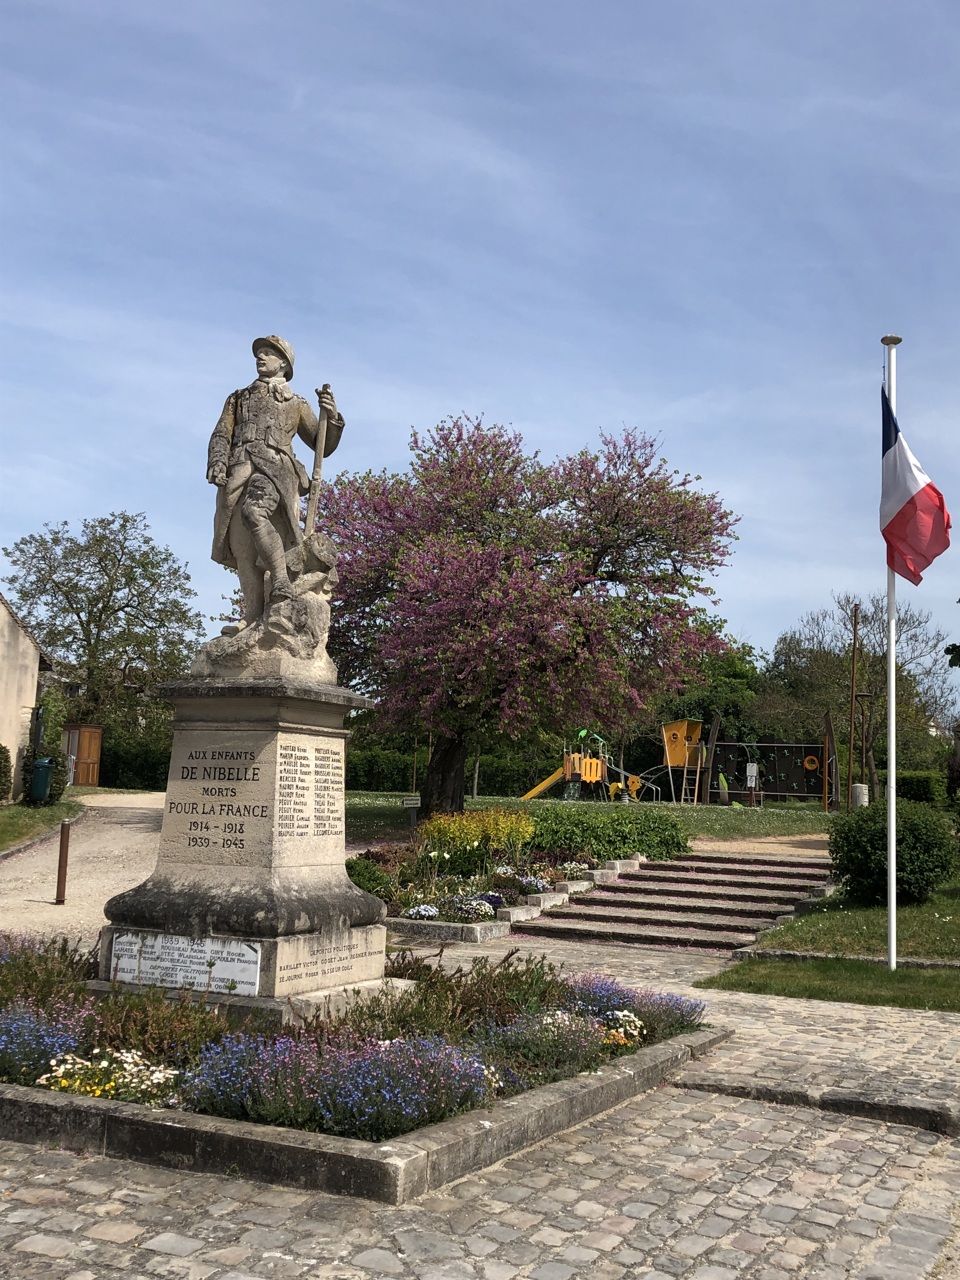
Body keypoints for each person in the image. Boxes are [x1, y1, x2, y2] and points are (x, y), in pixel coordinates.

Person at [206, 336, 343, 628]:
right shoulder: (239, 397)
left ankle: (280, 581)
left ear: (284, 363)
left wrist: (331, 418)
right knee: (242, 545)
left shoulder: (295, 403)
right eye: (259, 353)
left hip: (276, 469)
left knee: (254, 512)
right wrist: (218, 461)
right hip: (239, 469)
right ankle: (252, 615)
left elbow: (322, 445)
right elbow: (221, 433)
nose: (261, 357)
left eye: (268, 353)